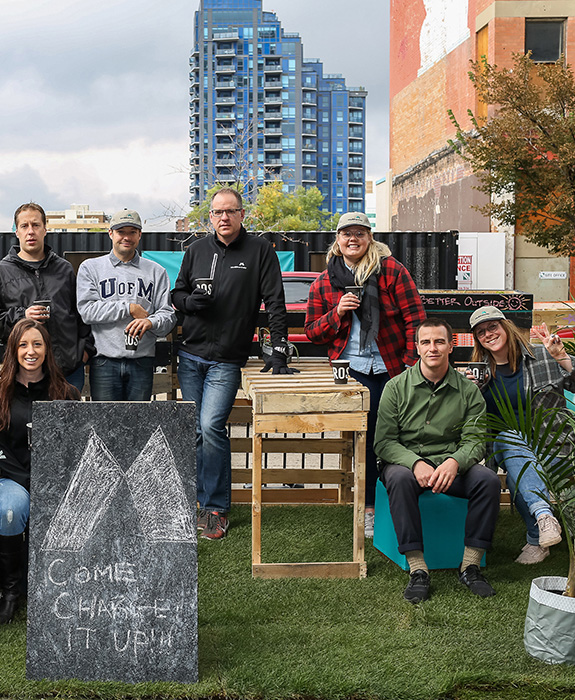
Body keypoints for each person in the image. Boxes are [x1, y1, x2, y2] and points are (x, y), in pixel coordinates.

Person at [171, 187, 293, 541]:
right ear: (209, 217)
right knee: (196, 431)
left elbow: (275, 303)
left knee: (211, 427)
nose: (223, 217)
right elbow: (177, 294)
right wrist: (190, 302)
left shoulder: (259, 251)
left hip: (227, 358)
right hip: (191, 354)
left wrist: (279, 347)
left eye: (230, 211)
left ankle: (217, 509)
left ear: (242, 215)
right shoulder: (195, 250)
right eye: (217, 212)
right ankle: (200, 503)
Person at [305, 211, 426, 538]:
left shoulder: (390, 272)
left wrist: (411, 364)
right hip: (352, 370)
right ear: (338, 240)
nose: (353, 239)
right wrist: (337, 312)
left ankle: (403, 504)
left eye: (360, 233)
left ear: (370, 237)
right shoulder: (325, 281)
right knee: (367, 441)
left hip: (391, 368)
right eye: (347, 234)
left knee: (393, 439)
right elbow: (313, 333)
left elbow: (416, 318)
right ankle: (371, 509)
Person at [375, 318, 498, 604]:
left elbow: (476, 441)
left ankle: (470, 565)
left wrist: (455, 462)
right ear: (417, 347)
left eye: (440, 341)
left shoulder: (469, 392)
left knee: (488, 480)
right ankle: (418, 569)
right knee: (397, 478)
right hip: (407, 466)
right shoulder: (395, 388)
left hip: (450, 468)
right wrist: (415, 462)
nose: (433, 348)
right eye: (427, 342)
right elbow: (384, 443)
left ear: (451, 346)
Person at [0, 319, 80, 624]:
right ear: (13, 350)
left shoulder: (66, 393)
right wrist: (31, 483)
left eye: (37, 344)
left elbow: (73, 449)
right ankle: (11, 593)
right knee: (12, 510)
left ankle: (60, 590)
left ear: (47, 349)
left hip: (56, 482)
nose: (30, 351)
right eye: (23, 345)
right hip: (11, 480)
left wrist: (52, 485)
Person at [468, 305, 575, 564]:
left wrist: (561, 357)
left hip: (556, 444)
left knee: (522, 472)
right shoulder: (479, 373)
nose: (488, 334)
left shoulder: (542, 355)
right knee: (510, 439)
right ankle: (543, 519)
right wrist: (469, 392)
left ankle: (538, 535)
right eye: (481, 332)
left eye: (492, 326)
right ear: (477, 339)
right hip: (510, 448)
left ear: (505, 326)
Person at [0, 203, 93, 393]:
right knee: (28, 423)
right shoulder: (0, 272)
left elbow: (82, 313)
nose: (30, 231)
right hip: (24, 375)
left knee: (68, 423)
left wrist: (85, 352)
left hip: (68, 371)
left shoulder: (64, 269)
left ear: (45, 229)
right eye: (24, 226)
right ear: (16, 232)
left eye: (35, 225)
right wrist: (22, 316)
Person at [76, 209, 177, 401]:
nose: (127, 237)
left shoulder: (157, 271)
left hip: (142, 361)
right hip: (104, 361)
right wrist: (128, 308)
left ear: (139, 235)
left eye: (132, 232)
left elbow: (168, 316)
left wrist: (151, 323)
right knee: (104, 425)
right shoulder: (91, 268)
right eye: (121, 231)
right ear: (111, 233)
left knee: (139, 425)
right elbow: (87, 311)